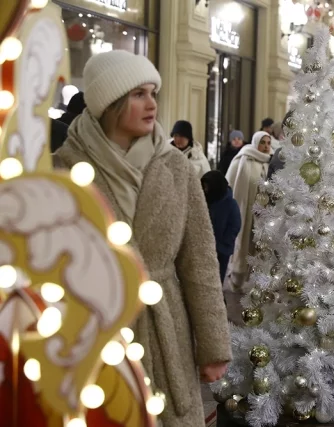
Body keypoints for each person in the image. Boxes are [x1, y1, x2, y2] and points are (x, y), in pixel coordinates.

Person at [53, 50, 230, 427]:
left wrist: (213, 345)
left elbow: (199, 262)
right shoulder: (63, 168)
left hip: (165, 332)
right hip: (93, 333)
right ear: (110, 103)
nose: (152, 103)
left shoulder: (177, 169)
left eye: (153, 93)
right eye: (138, 94)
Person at [225, 131, 272, 290]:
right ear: (255, 142)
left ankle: (256, 281)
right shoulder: (243, 158)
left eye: (268, 143)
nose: (266, 146)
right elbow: (230, 182)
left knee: (258, 245)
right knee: (242, 241)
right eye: (262, 142)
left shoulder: (269, 161)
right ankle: (236, 276)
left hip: (263, 212)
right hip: (244, 208)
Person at [201, 170, 241, 282]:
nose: (205, 190)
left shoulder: (230, 203)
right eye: (204, 187)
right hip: (205, 247)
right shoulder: (205, 200)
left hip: (221, 250)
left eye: (207, 187)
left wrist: (224, 243)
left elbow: (235, 225)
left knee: (218, 278)